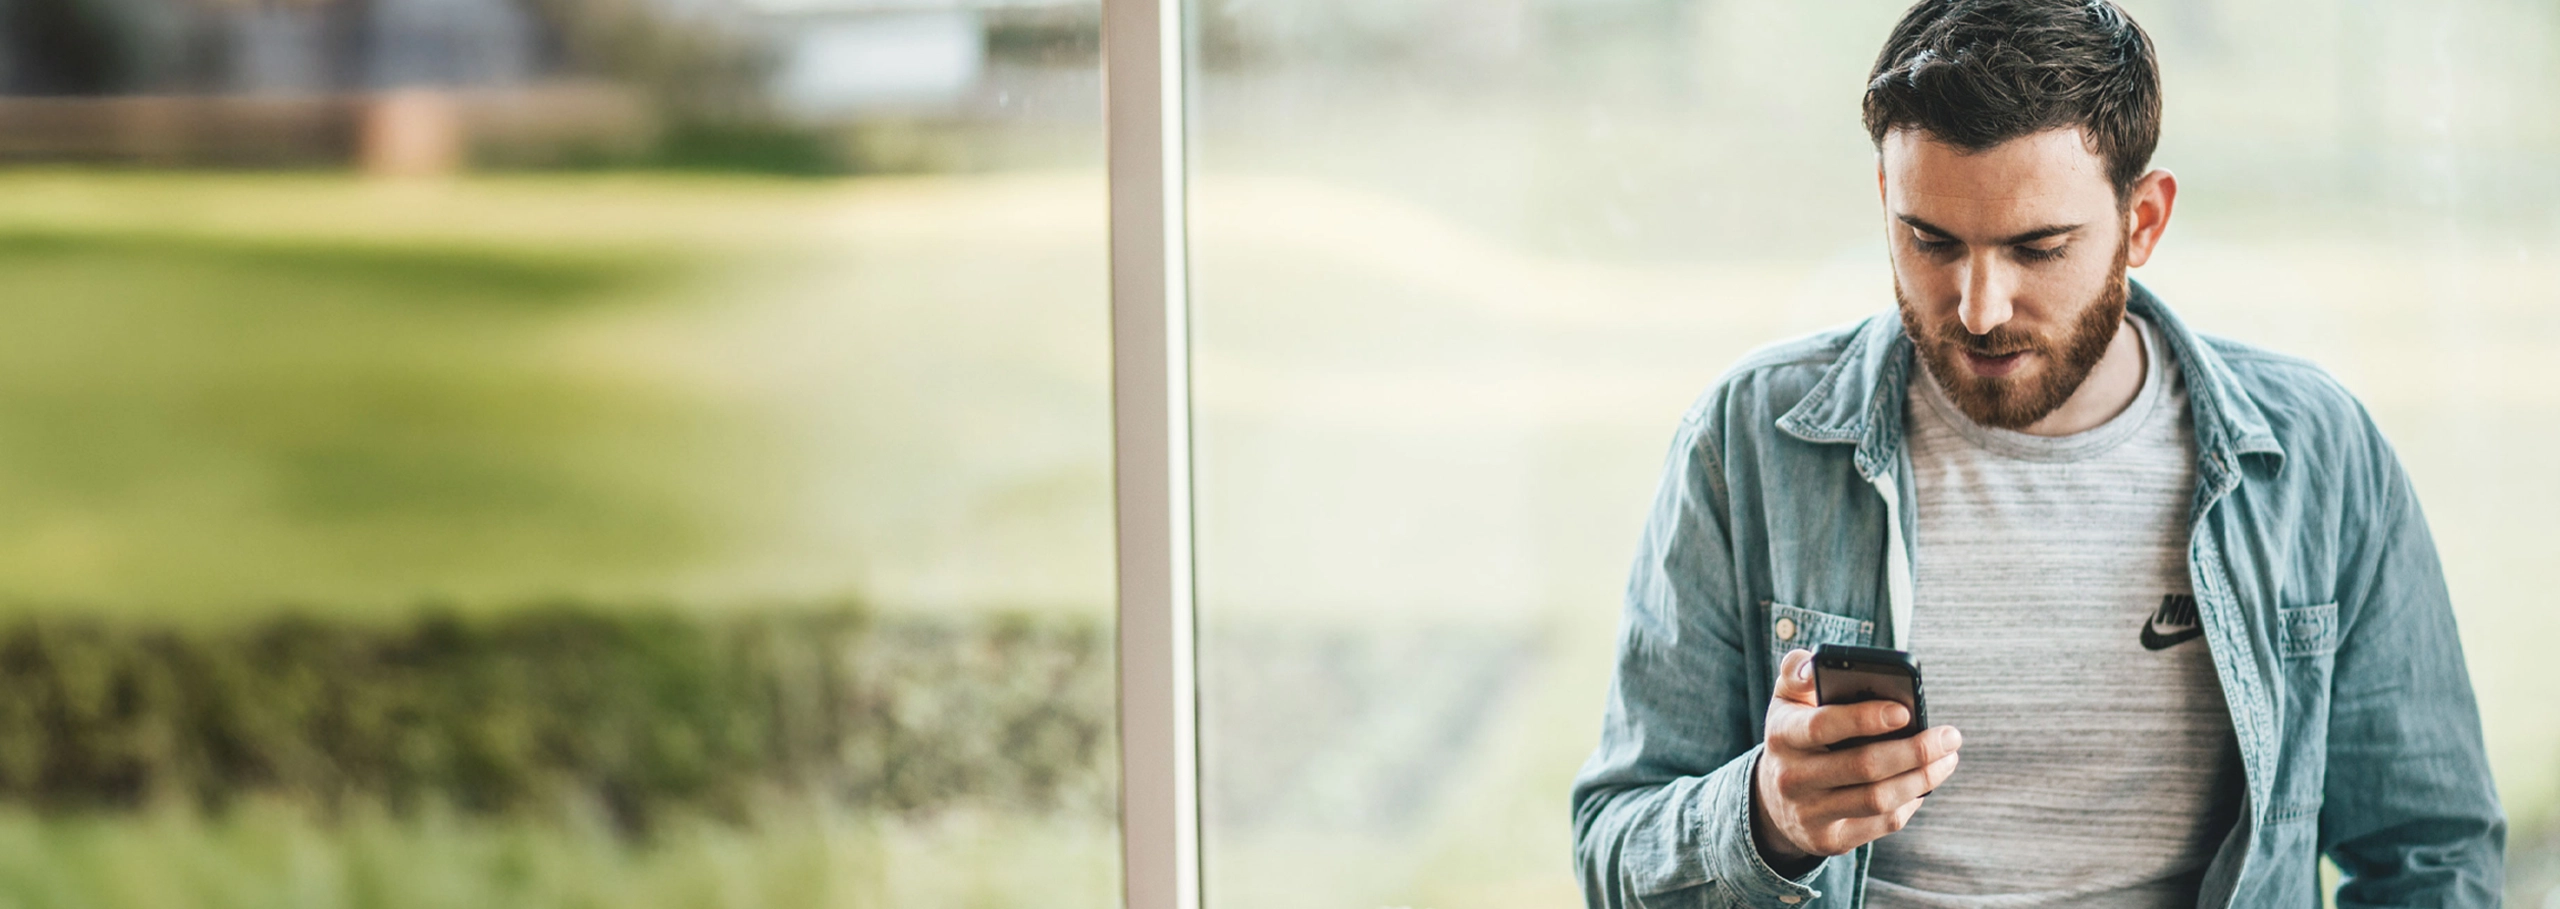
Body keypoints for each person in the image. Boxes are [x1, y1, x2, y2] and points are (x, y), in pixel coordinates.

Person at [1567, 1, 2506, 906]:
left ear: (2143, 221)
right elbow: (1615, 846)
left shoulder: (2318, 456)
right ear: (1885, 197)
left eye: (2038, 248)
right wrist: (1767, 816)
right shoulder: (1748, 442)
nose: (1977, 307)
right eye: (1929, 241)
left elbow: (2430, 853)